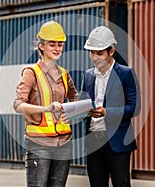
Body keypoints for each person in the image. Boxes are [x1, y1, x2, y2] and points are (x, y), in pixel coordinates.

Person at [13, 20, 78, 187]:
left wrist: (76, 111)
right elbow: (18, 105)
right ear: (41, 46)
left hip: (63, 143)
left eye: (60, 44)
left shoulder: (64, 74)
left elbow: (75, 99)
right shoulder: (31, 73)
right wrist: (46, 109)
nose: (57, 49)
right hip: (38, 144)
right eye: (52, 44)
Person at [80, 26, 140, 187]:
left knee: (121, 184)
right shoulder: (88, 75)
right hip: (94, 141)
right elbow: (83, 102)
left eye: (99, 53)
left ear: (111, 51)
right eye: (92, 52)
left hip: (117, 141)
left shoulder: (126, 74)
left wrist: (107, 112)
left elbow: (134, 108)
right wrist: (81, 109)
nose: (94, 57)